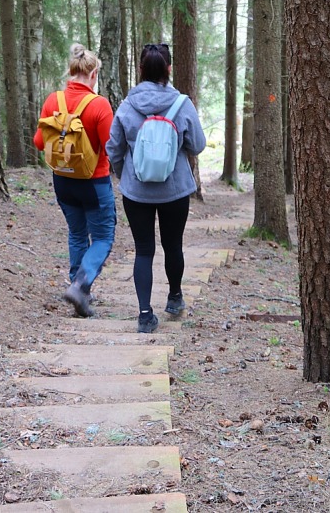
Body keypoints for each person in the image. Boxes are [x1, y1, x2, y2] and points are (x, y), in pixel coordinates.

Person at [106, 43, 206, 333]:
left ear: (141, 70)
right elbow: (197, 145)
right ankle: (174, 296)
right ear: (169, 69)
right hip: (174, 190)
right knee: (172, 245)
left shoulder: (126, 106)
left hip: (136, 192)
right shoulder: (182, 104)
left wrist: (126, 174)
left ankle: (145, 314)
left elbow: (114, 148)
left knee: (144, 251)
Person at [34, 43, 116, 318]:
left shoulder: (52, 100)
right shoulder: (99, 105)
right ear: (92, 74)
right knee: (103, 237)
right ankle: (80, 285)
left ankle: (78, 289)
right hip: (94, 182)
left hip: (63, 182)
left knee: (77, 233)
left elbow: (38, 142)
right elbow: (110, 147)